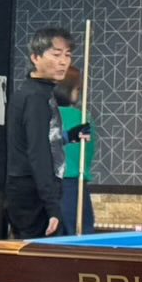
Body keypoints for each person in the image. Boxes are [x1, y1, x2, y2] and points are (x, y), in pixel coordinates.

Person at [5, 27, 75, 238]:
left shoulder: (34, 92)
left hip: (28, 189)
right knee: (38, 256)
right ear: (35, 58)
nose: (63, 62)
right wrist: (52, 206)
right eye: (56, 54)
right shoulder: (35, 97)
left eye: (67, 55)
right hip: (33, 194)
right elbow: (38, 152)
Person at [54, 66, 96, 235]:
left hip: (50, 185)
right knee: (80, 235)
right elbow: (89, 152)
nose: (79, 93)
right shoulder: (82, 117)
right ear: (68, 89)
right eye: (78, 89)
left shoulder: (45, 114)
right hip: (74, 184)